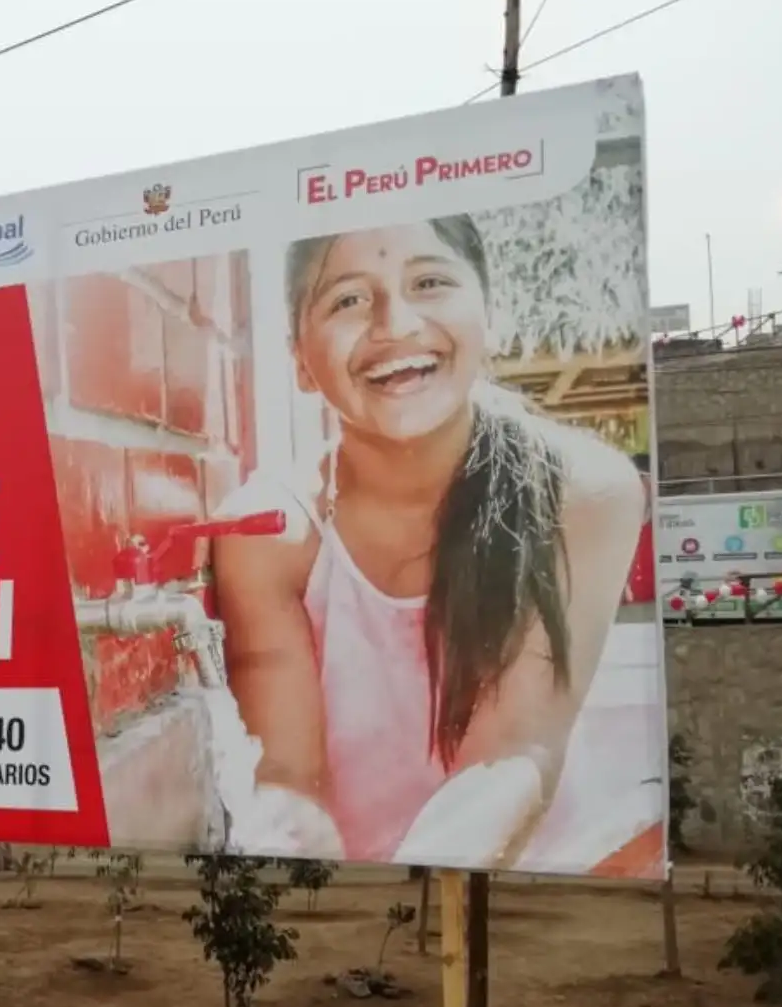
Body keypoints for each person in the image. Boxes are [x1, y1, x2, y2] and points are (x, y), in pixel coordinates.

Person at [211, 215, 645, 868]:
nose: (396, 324)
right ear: (299, 358)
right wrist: (304, 874)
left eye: (430, 282)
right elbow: (288, 776)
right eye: (348, 300)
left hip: (547, 880)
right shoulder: (269, 533)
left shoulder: (585, 491)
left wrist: (406, 901)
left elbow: (519, 745)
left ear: (489, 316)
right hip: (365, 891)